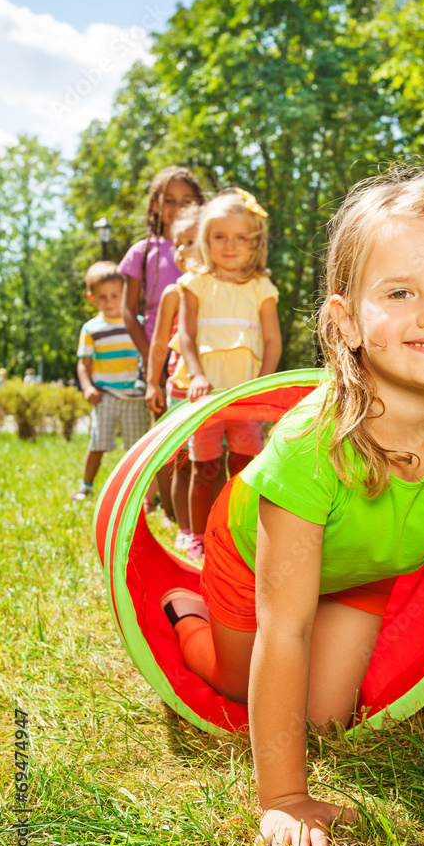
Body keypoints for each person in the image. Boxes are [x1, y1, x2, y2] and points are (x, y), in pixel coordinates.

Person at [161, 169, 424, 846]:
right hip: (253, 558)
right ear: (345, 321)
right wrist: (283, 796)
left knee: (326, 717)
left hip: (362, 569)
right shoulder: (313, 444)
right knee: (241, 680)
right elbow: (287, 628)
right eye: (399, 293)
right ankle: (186, 612)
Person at [174, 188, 282, 561]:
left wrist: (264, 387)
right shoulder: (195, 283)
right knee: (204, 469)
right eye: (220, 237)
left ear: (255, 244)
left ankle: (241, 534)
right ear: (205, 240)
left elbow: (272, 341)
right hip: (206, 395)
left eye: (240, 238)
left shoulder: (260, 287)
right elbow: (185, 335)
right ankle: (197, 535)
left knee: (245, 466)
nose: (230, 246)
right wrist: (197, 374)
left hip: (246, 397)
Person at [119, 165, 205, 517]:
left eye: (187, 199)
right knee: (165, 437)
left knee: (198, 438)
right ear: (155, 205)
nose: (177, 206)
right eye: (169, 200)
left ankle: (188, 509)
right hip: (158, 359)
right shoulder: (142, 252)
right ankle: (170, 511)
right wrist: (150, 358)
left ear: (200, 204)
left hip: (197, 358)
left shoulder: (207, 247)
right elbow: (128, 310)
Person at [145, 204, 202, 552]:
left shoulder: (218, 290)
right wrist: (152, 382)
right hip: (180, 389)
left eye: (190, 242)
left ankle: (207, 523)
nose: (180, 251)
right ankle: (184, 526)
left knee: (209, 462)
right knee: (182, 461)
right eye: (177, 244)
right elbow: (157, 345)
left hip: (213, 389)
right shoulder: (173, 293)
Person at [72, 262, 148, 502]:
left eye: (115, 295)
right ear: (91, 297)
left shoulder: (137, 323)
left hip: (136, 396)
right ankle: (86, 485)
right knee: (98, 443)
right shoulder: (91, 328)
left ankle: (143, 492)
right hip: (105, 395)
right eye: (102, 297)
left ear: (125, 293)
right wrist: (87, 387)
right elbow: (83, 364)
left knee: (139, 449)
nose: (110, 301)